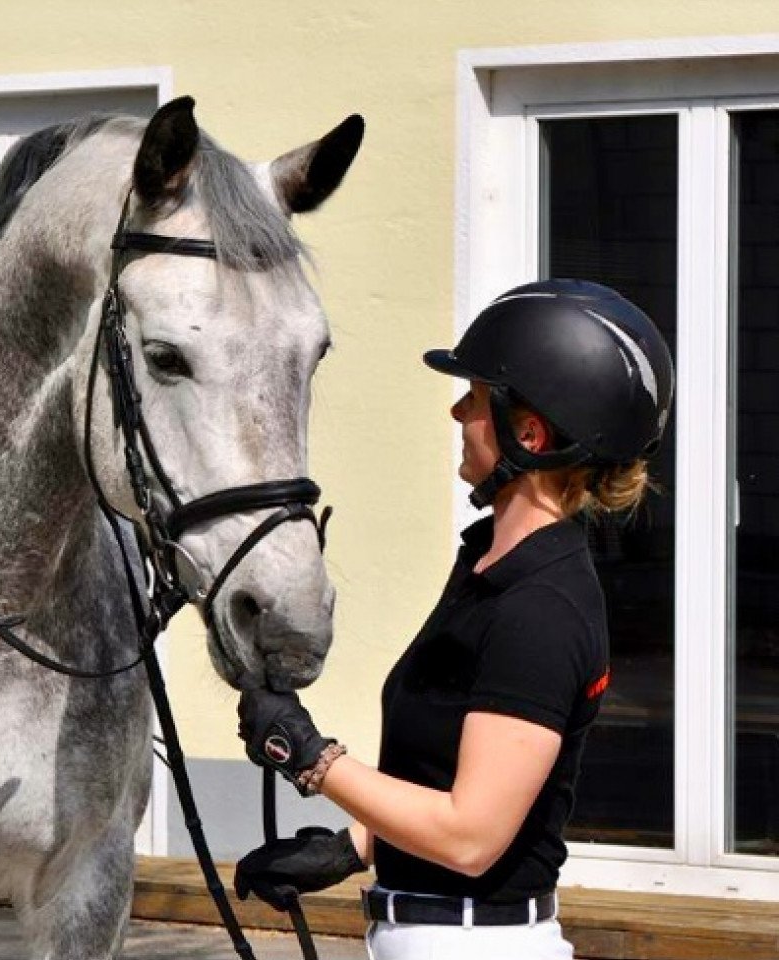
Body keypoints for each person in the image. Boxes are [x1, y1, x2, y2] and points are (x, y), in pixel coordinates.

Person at [234, 279, 675, 960]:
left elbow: (471, 837)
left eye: (475, 398)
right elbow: (448, 769)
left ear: (528, 433)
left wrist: (313, 759)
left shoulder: (542, 609)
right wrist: (352, 847)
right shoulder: (489, 566)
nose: (455, 411)